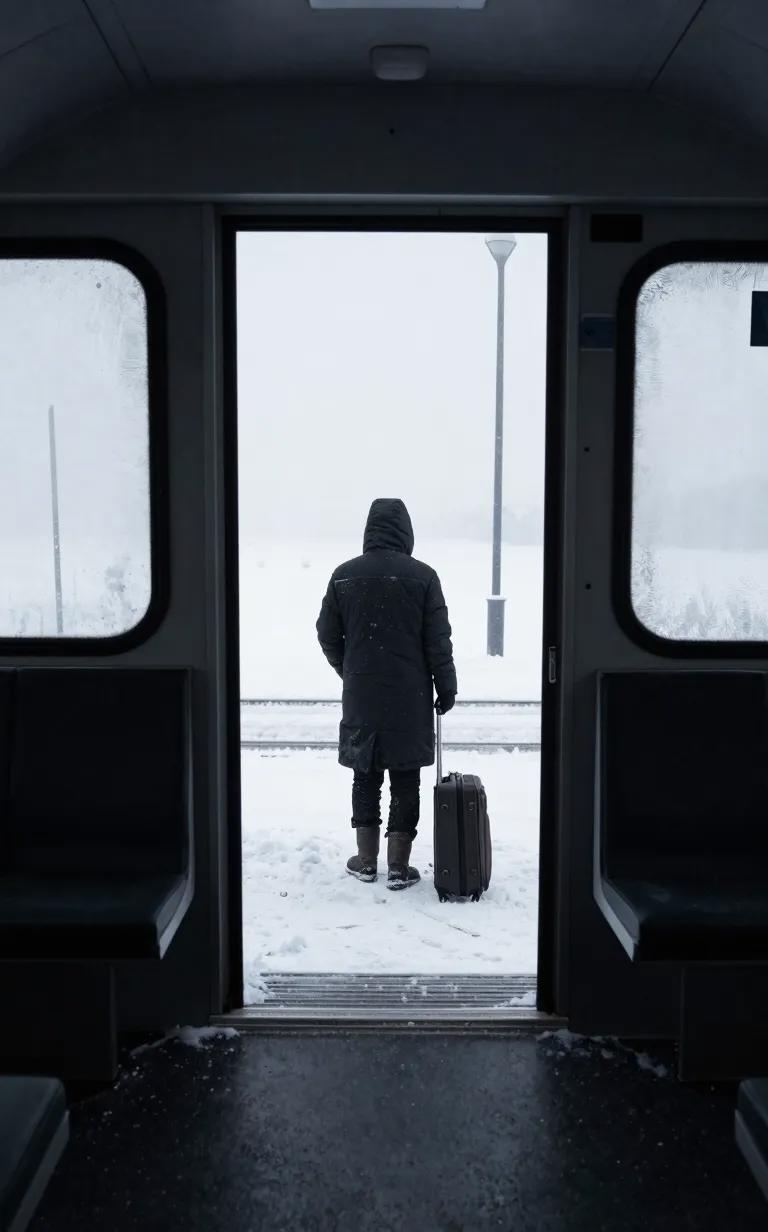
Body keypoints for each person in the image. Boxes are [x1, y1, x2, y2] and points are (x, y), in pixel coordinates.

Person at [316, 498, 457, 890]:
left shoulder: (344, 575)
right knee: (405, 777)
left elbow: (326, 633)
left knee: (365, 775)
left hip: (361, 692)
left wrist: (348, 669)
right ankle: (397, 867)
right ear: (406, 532)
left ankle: (365, 861)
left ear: (369, 530)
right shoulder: (424, 577)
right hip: (409, 696)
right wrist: (445, 687)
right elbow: (438, 642)